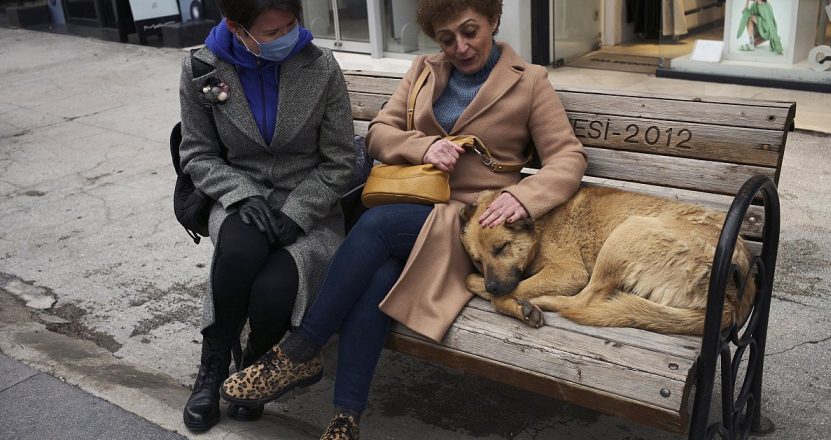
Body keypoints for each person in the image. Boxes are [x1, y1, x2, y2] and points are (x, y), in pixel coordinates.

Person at [220, 0, 588, 438]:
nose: (462, 47)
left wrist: (524, 197)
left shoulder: (530, 82)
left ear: (493, 20)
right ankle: (345, 419)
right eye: (447, 39)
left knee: (376, 226)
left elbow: (567, 156)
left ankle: (301, 349)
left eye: (471, 31)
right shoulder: (423, 70)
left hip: (474, 226)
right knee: (378, 278)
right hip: (416, 205)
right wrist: (423, 148)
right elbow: (378, 133)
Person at [178, 0, 356, 433]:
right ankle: (214, 366)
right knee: (239, 251)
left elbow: (341, 161)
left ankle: (254, 367)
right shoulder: (202, 67)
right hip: (242, 197)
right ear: (238, 29)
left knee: (276, 289)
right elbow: (196, 154)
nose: (287, 38)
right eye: (272, 33)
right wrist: (239, 194)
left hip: (310, 201)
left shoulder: (321, 66)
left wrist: (298, 213)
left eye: (291, 26)